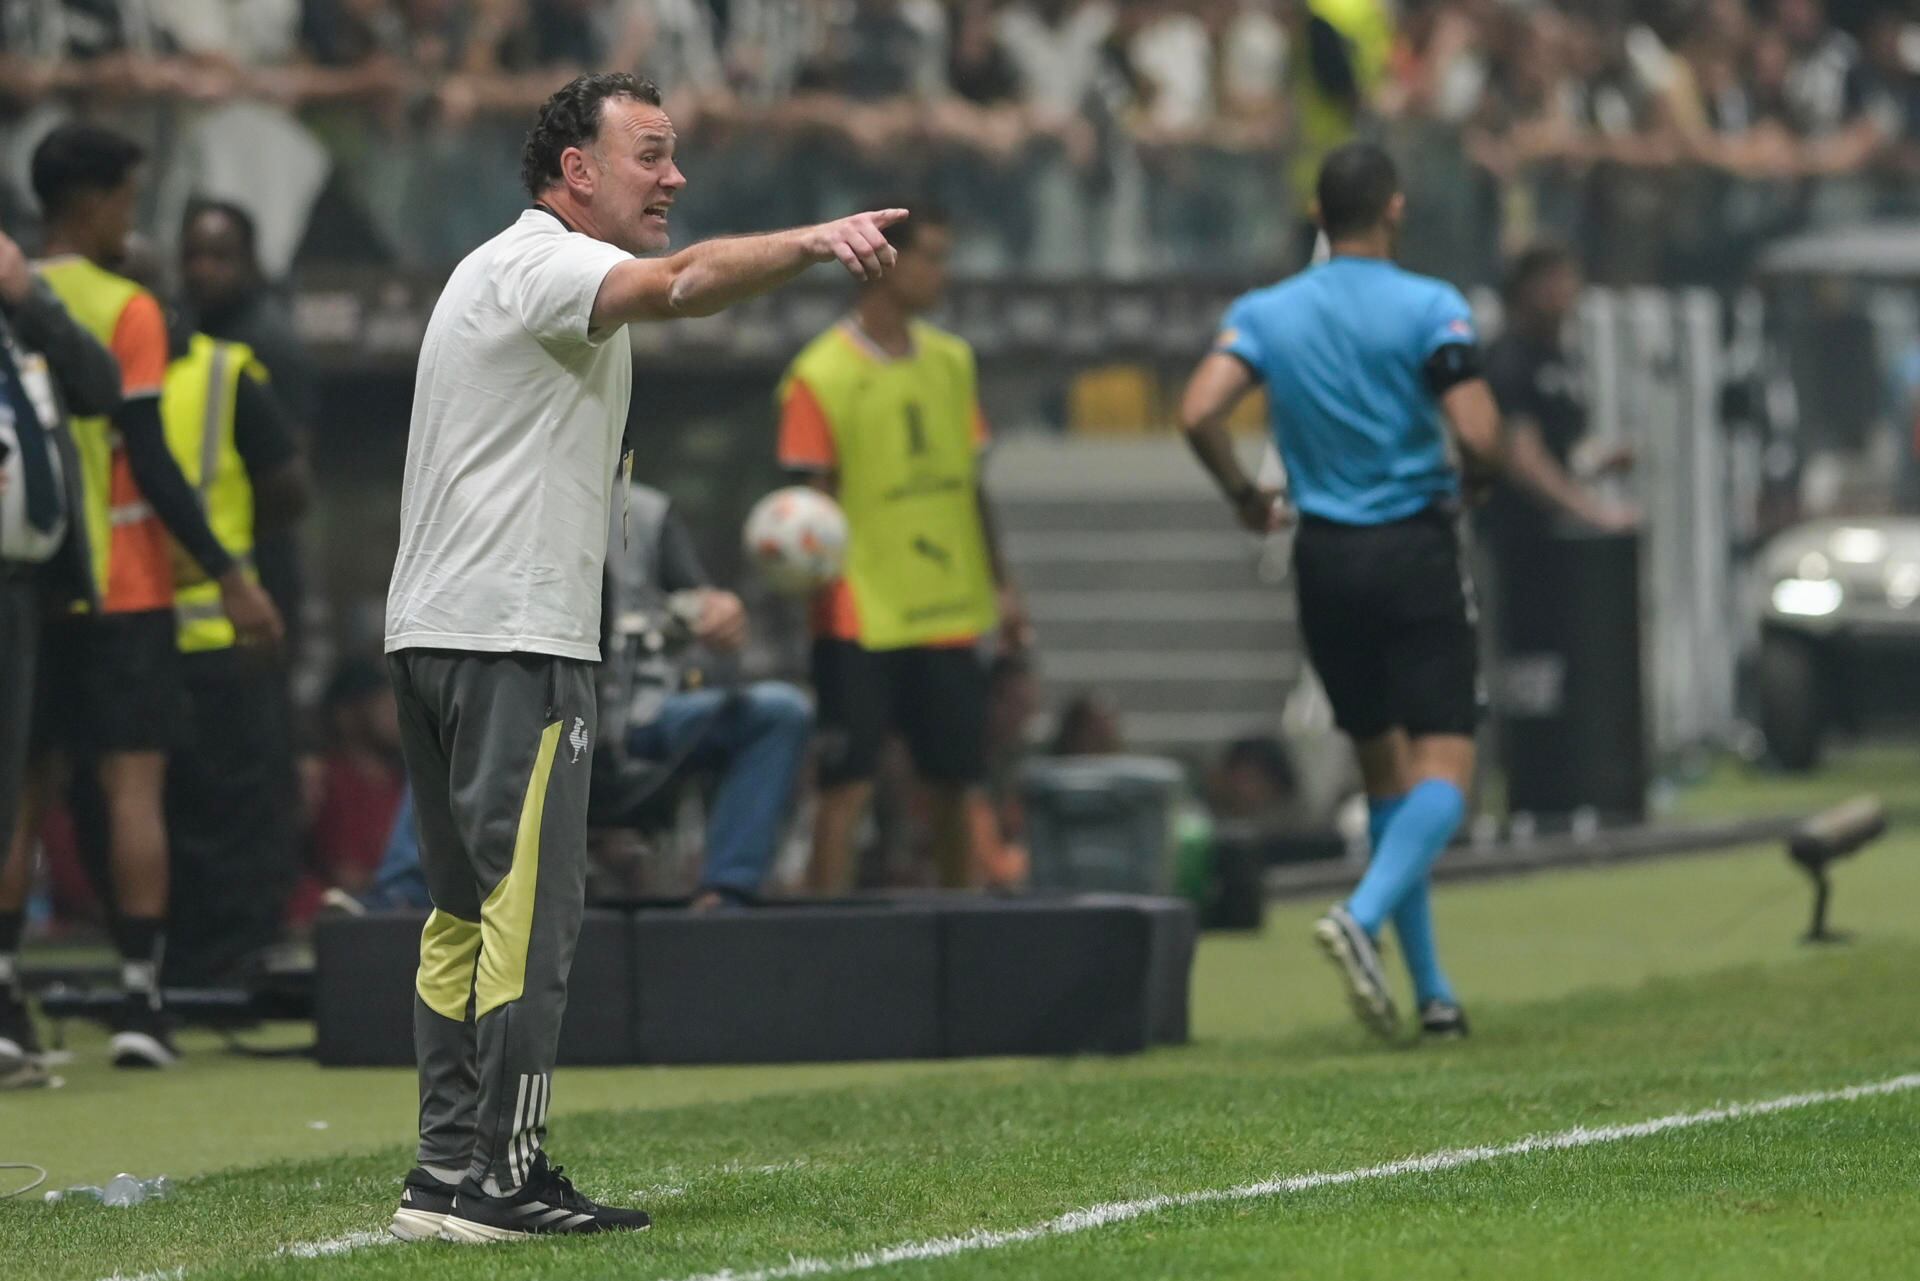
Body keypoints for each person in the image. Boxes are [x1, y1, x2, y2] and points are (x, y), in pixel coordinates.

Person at [380, 71, 908, 1242]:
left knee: (463, 915)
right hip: (512, 642)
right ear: (578, 172)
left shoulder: (495, 272)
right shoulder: (546, 267)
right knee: (530, 917)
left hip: (437, 634)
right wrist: (816, 241)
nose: (674, 178)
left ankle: (444, 1170)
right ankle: (503, 1181)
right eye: (652, 156)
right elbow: (680, 283)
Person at [1177, 142, 1506, 1043]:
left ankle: (1433, 994)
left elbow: (1198, 409)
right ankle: (1359, 915)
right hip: (1412, 548)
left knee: (1386, 776)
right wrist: (1479, 477)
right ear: (1395, 208)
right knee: (1448, 773)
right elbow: (1477, 430)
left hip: (1323, 559)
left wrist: (1246, 494)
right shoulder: (1431, 306)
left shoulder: (1268, 312)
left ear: (1317, 215)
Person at [0, 124, 283, 1071]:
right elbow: (149, 458)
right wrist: (229, 570)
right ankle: (139, 1000)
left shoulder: (15, 294)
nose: (132, 216)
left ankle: (4, 997)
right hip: (123, 583)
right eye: (127, 198)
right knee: (133, 789)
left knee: (22, 792)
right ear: (92, 201)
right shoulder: (127, 308)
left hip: (30, 586)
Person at [777, 200, 1029, 895]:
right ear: (884, 260)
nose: (943, 272)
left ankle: (958, 930)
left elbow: (971, 485)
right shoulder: (818, 374)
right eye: (933, 256)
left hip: (946, 605)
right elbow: (810, 510)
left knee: (956, 782)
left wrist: (1003, 587)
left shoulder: (953, 363)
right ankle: (822, 945)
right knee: (845, 783)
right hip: (859, 613)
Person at [0, 224, 124, 1086]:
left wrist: (29, 298)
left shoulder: (23, 327)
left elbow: (97, 386)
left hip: (22, 590)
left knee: (8, 794)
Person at [597, 482, 813, 910]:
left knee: (779, 713)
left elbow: (701, 600)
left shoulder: (644, 511)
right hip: (524, 724)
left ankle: (726, 896)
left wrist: (720, 613)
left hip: (638, 720)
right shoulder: (495, 501)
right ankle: (422, 901)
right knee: (431, 712)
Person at [178, 199, 318, 653]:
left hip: (263, 556)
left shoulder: (268, 341)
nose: (203, 270)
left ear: (249, 262)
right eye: (193, 256)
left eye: (220, 257)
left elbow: (291, 473)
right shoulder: (186, 329)